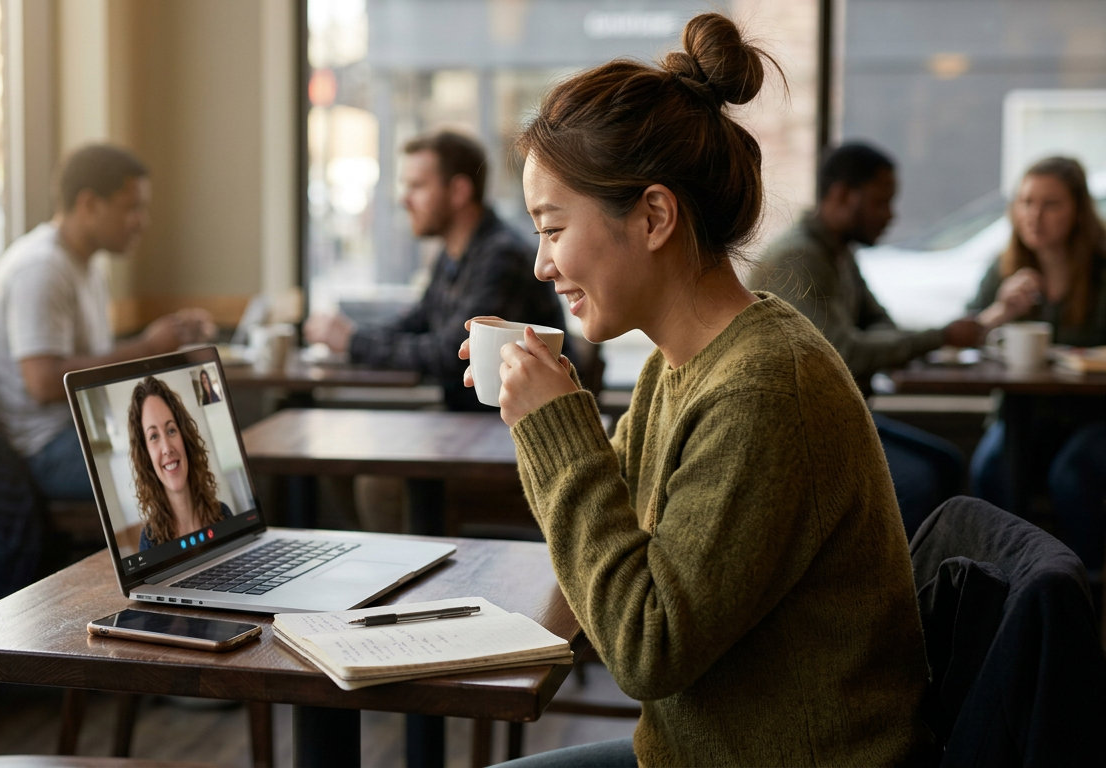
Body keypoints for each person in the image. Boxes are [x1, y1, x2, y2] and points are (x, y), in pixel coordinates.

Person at [461, 14, 934, 766]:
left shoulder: (764, 388)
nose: (543, 266)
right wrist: (546, 422)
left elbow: (647, 647)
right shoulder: (681, 363)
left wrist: (554, 431)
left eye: (552, 229)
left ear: (653, 215)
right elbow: (610, 541)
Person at [749, 142, 983, 536]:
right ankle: (881, 589)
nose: (890, 215)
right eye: (880, 202)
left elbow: (879, 322)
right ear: (841, 195)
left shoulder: (838, 252)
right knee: (918, 481)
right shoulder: (800, 257)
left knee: (947, 463)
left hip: (841, 418)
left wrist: (905, 341)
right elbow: (844, 353)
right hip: (800, 432)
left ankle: (923, 584)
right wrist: (940, 336)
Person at [0, 144, 216, 503]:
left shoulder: (85, 265)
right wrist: (147, 348)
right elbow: (43, 382)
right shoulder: (41, 268)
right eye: (132, 208)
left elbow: (91, 361)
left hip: (81, 432)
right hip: (42, 449)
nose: (142, 223)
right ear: (89, 205)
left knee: (205, 445)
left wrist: (171, 339)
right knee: (185, 467)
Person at [304, 130, 569, 412]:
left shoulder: (502, 257)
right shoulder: (453, 253)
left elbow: (450, 354)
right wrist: (349, 334)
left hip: (502, 427)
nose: (404, 200)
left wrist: (354, 342)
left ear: (458, 192)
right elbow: (417, 322)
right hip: (470, 419)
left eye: (416, 186)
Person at [967, 156, 1106, 569]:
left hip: (1093, 416)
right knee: (991, 469)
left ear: (1078, 211)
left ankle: (1084, 587)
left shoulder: (1101, 274)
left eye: (1051, 204)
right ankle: (1006, 583)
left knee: (1072, 475)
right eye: (1026, 202)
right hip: (1023, 413)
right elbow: (962, 342)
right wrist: (999, 312)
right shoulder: (1004, 269)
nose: (1034, 216)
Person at [128, 376, 231, 551]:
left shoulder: (222, 514)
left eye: (171, 430)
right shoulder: (150, 541)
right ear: (146, 456)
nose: (167, 448)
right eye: (154, 436)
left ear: (185, 437)